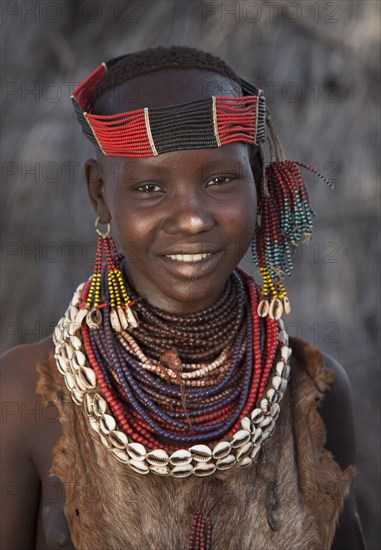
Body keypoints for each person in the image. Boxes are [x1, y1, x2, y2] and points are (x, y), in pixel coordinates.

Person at [0, 46, 366, 550]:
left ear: (258, 180)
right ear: (100, 195)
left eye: (220, 180)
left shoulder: (315, 392)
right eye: (150, 187)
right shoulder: (26, 393)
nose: (192, 218)